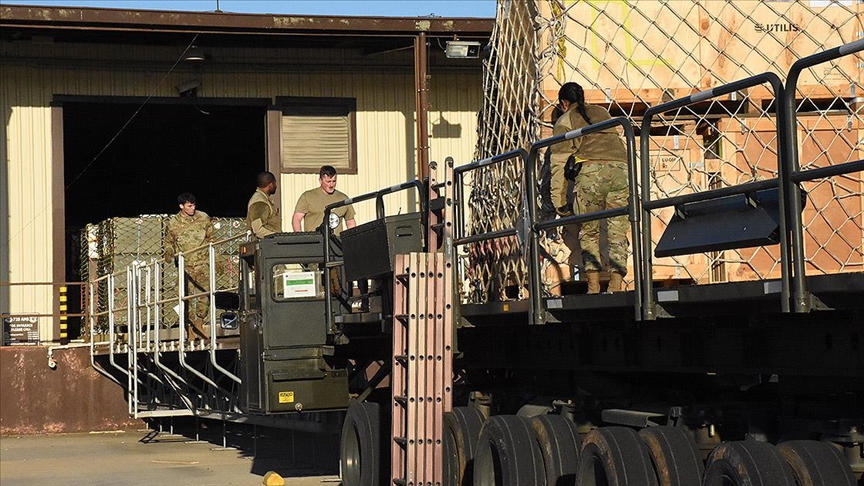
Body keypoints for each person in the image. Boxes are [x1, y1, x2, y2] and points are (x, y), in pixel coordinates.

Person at [550, 82, 630, 294]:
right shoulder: (603, 112)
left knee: (589, 232)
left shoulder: (565, 120)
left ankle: (593, 287)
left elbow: (558, 164)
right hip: (621, 170)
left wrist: (559, 202)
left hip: (591, 173)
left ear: (563, 103)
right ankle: (616, 286)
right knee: (618, 232)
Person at [164, 193, 214, 339]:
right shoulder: (173, 223)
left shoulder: (203, 218)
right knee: (183, 297)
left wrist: (217, 260)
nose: (193, 208)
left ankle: (199, 321)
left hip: (202, 263)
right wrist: (168, 252)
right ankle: (190, 326)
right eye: (189, 206)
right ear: (181, 206)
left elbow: (212, 238)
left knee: (206, 293)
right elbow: (168, 242)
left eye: (193, 205)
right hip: (185, 266)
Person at [292, 165, 356, 234]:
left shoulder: (343, 198)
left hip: (337, 242)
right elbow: (296, 219)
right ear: (320, 180)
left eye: (334, 181)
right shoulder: (307, 197)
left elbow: (350, 221)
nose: (331, 185)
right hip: (315, 241)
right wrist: (301, 237)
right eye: (328, 181)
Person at [246, 171, 282, 239]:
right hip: (265, 245)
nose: (276, 186)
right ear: (270, 184)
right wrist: (278, 237)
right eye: (275, 183)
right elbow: (258, 230)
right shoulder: (259, 202)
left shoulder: (264, 199)